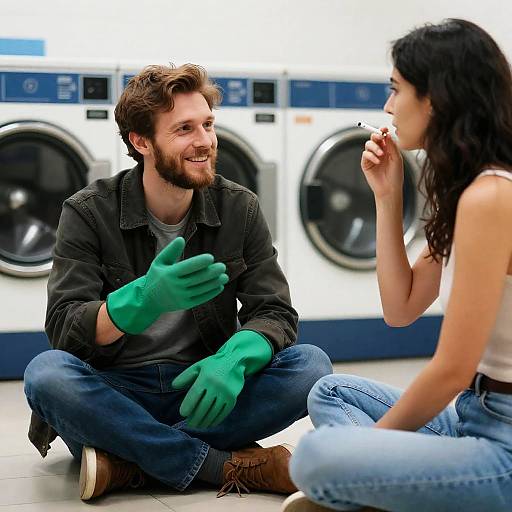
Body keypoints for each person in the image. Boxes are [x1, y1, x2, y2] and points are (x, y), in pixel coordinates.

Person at [23, 63, 332, 501]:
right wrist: (138, 302)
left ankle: (129, 460)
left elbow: (274, 312)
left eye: (207, 124)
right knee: (46, 376)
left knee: (312, 366)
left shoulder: (238, 207)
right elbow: (64, 329)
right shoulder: (89, 212)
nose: (204, 141)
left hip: (204, 386)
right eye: (184, 129)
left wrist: (237, 356)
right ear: (141, 141)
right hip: (119, 391)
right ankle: (220, 464)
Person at [282, 19, 512, 512]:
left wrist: (367, 452)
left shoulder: (492, 197)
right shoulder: (466, 193)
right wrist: (388, 198)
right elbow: (400, 308)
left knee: (317, 455)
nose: (387, 106)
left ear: (436, 99)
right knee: (331, 390)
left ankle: (380, 487)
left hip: (506, 444)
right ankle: (399, 487)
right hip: (473, 416)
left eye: (395, 89)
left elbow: (451, 369)